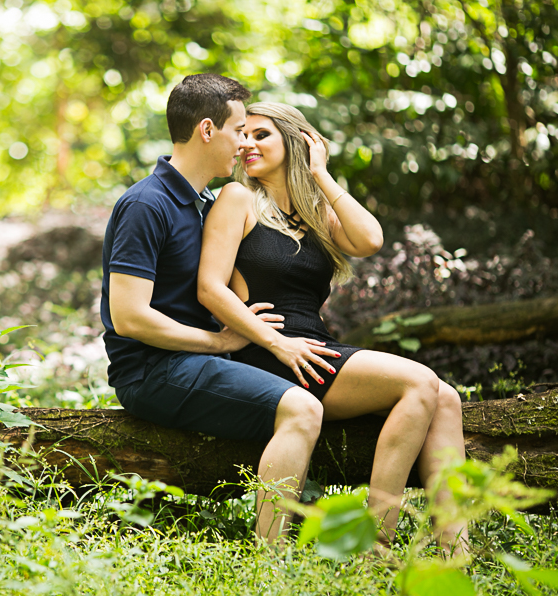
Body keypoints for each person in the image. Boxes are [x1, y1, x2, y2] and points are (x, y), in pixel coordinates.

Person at [197, 101, 468, 554]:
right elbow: (210, 287)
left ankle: (455, 548)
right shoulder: (237, 198)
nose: (247, 144)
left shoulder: (314, 211)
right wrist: (278, 343)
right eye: (243, 135)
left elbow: (370, 239)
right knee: (420, 380)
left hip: (313, 348)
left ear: (297, 140)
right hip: (266, 352)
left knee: (447, 398)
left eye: (261, 134)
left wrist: (320, 173)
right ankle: (377, 541)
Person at [101, 75, 338, 543]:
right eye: (238, 130)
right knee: (302, 411)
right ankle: (271, 562)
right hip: (154, 370)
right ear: (207, 130)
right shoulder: (147, 203)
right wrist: (222, 340)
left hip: (202, 361)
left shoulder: (204, 203)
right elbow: (129, 317)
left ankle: (322, 530)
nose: (243, 143)